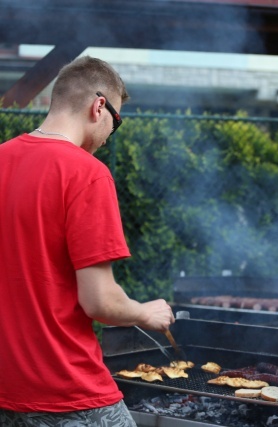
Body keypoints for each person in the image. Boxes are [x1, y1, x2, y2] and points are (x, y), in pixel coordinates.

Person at [0, 56, 175, 426]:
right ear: (99, 107)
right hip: (66, 391)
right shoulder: (87, 173)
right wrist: (146, 311)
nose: (112, 132)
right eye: (118, 120)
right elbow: (100, 301)